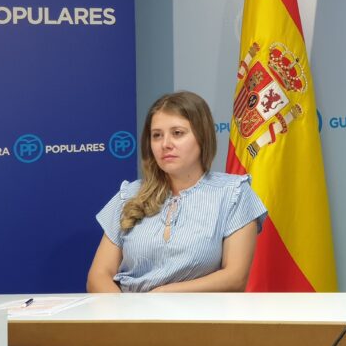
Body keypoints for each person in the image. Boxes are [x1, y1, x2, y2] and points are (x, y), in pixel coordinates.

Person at [87, 91, 267, 292]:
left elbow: (234, 278)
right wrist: (126, 317)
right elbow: (98, 276)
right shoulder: (129, 195)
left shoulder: (234, 193)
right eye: (157, 135)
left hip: (199, 319)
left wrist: (162, 296)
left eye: (177, 133)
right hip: (130, 317)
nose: (165, 144)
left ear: (202, 136)